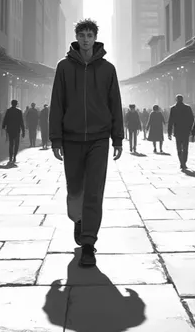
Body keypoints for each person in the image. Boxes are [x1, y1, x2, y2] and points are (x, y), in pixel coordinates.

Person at [49, 18, 123, 268]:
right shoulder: (63, 67)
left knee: (94, 191)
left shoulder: (108, 69)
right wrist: (55, 138)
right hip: (71, 139)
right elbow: (57, 102)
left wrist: (118, 137)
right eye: (82, 34)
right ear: (76, 37)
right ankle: (78, 219)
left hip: (99, 139)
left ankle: (89, 244)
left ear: (95, 38)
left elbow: (115, 104)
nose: (86, 39)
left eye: (90, 35)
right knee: (75, 190)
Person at [167, 94, 194, 171]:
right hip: (186, 131)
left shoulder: (173, 108)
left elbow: (170, 121)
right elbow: (191, 119)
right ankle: (184, 162)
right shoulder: (187, 108)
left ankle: (181, 162)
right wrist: (192, 130)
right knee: (185, 147)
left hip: (177, 131)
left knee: (179, 147)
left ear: (176, 100)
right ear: (182, 100)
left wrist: (169, 132)